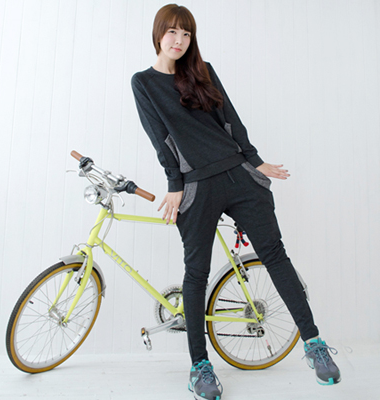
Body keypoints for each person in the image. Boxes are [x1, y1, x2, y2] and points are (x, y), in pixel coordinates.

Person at [131, 4, 341, 399]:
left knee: (275, 255)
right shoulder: (143, 83)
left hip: (237, 174)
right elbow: (159, 136)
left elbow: (231, 119)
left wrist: (254, 161)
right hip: (196, 185)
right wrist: (174, 183)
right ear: (158, 34)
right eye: (172, 32)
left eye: (186, 34)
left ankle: (313, 344)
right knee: (196, 273)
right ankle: (200, 367)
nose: (179, 40)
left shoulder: (203, 71)